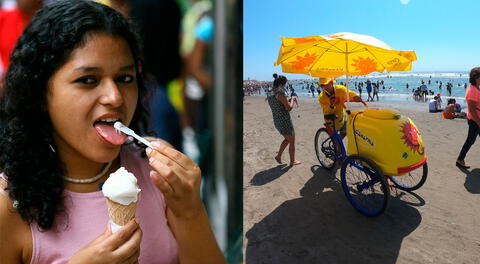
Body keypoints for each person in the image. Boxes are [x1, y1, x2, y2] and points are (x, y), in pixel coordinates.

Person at [0, 1, 225, 263]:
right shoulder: (9, 205)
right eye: (88, 80)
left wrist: (190, 211)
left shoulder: (157, 171)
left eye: (125, 78)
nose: (115, 97)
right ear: (39, 92)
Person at [267, 74, 300, 166]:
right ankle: (292, 161)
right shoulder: (280, 94)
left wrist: (288, 99)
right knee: (291, 140)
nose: (285, 87)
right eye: (284, 85)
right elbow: (289, 108)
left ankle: (278, 156)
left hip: (277, 120)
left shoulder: (270, 93)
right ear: (281, 85)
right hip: (284, 120)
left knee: (287, 139)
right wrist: (292, 99)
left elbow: (279, 104)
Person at [456, 67, 480, 169]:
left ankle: (460, 159)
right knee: (470, 140)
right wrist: (479, 122)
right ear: (476, 77)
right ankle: (460, 159)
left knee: (471, 140)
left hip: (477, 120)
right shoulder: (472, 90)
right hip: (475, 120)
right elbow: (472, 110)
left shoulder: (476, 88)